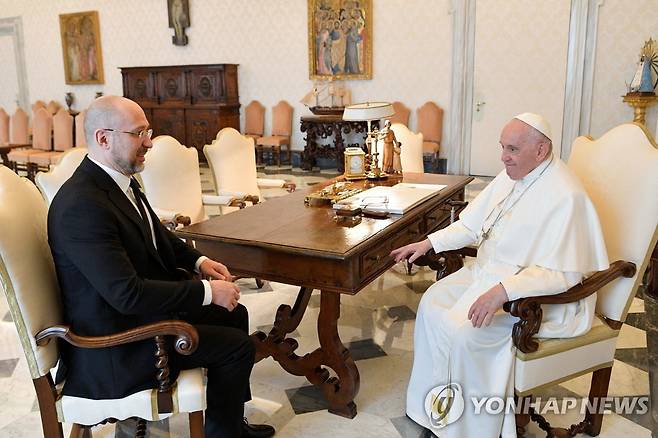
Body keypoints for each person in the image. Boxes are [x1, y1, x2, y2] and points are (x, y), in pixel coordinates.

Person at [48, 95, 275, 438]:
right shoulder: (82, 206)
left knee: (235, 314)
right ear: (103, 138)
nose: (149, 142)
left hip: (134, 320)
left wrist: (199, 261)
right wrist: (206, 292)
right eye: (138, 133)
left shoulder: (117, 180)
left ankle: (227, 425)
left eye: (147, 131)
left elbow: (158, 237)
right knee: (236, 347)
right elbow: (127, 295)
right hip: (114, 347)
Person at [390, 113, 609, 437]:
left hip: (536, 297)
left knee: (467, 332)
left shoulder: (567, 195)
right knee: (431, 305)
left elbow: (563, 276)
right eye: (502, 147)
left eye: (513, 149)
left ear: (541, 149)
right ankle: (434, 410)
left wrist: (502, 292)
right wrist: (428, 243)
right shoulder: (514, 173)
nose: (503, 156)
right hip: (489, 274)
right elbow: (470, 225)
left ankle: (470, 427)